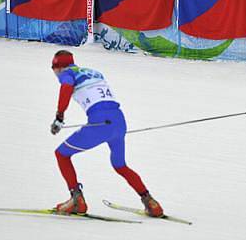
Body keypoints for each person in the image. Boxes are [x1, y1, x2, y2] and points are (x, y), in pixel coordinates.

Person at [49, 50, 164, 217]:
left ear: (58, 67)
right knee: (120, 165)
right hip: (119, 121)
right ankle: (151, 203)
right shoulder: (94, 72)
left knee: (61, 154)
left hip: (100, 124)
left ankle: (76, 201)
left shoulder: (66, 74)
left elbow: (66, 87)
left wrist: (59, 116)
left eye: (54, 68)